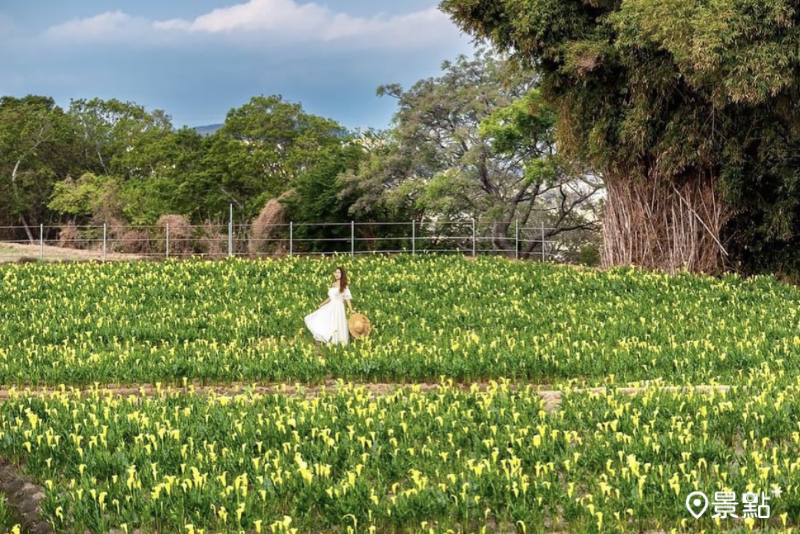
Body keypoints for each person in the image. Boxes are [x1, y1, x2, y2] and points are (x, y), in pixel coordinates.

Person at [304, 266, 354, 345]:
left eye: (339, 272)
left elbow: (347, 299)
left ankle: (338, 341)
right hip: (331, 306)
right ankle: (326, 339)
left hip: (338, 307)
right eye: (336, 272)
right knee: (326, 321)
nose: (337, 274)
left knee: (337, 322)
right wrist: (322, 304)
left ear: (342, 274)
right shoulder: (333, 284)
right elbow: (330, 298)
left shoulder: (344, 285)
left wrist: (351, 310)